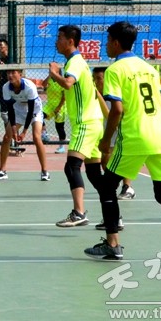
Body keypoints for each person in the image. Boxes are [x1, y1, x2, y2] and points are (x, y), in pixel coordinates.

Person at [85, 21, 161, 262]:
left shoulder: (115, 70)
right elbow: (160, 106)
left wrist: (105, 141)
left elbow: (117, 109)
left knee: (107, 187)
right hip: (158, 136)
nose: (106, 45)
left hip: (135, 136)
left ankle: (113, 244)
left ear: (116, 42)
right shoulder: (149, 69)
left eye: (108, 40)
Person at [48, 25, 105, 228]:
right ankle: (113, 215)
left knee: (71, 166)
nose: (57, 41)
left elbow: (67, 83)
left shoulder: (75, 62)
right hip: (94, 123)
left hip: (85, 124)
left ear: (70, 41)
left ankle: (79, 213)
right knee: (94, 174)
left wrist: (53, 73)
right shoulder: (79, 62)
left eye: (59, 37)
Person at [0, 69, 49, 181]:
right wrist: (13, 129)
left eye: (13, 73)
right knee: (7, 137)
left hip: (34, 110)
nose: (10, 75)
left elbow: (31, 111)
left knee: (36, 137)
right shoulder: (6, 87)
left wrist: (24, 132)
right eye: (8, 73)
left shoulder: (29, 86)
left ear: (20, 74)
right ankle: (2, 170)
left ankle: (45, 171)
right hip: (18, 110)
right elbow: (10, 110)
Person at [91, 67, 135, 202]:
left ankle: (127, 187)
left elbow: (115, 113)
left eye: (99, 78)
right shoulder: (94, 94)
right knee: (105, 159)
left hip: (119, 128)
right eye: (94, 78)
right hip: (104, 129)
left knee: (121, 157)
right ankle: (113, 183)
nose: (96, 81)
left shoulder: (114, 94)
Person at [43, 75, 68, 154]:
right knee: (38, 116)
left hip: (60, 107)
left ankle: (62, 146)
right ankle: (44, 134)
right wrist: (49, 75)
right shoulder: (50, 79)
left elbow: (64, 97)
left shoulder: (62, 81)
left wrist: (58, 107)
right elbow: (43, 84)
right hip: (49, 105)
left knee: (59, 127)